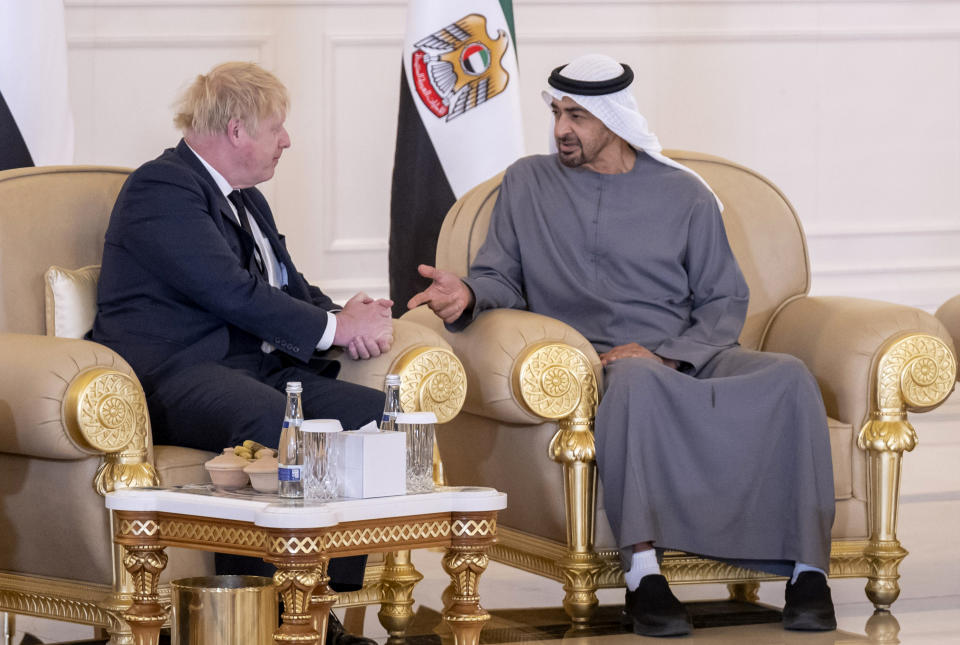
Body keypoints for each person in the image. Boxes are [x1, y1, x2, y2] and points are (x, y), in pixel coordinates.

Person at [408, 54, 837, 637]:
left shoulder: (684, 195)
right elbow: (502, 277)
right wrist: (468, 294)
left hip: (687, 352)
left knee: (789, 376)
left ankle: (809, 574)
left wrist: (669, 355)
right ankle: (642, 576)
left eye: (577, 116)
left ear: (614, 119)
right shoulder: (527, 183)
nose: (561, 128)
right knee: (633, 381)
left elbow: (721, 301)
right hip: (598, 364)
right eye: (558, 112)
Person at [91, 61, 388, 645]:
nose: (287, 140)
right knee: (280, 426)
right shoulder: (163, 187)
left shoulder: (246, 199)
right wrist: (333, 328)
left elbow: (286, 286)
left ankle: (316, 608)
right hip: (174, 374)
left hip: (248, 368)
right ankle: (268, 619)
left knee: (370, 418)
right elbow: (229, 290)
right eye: (277, 127)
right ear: (235, 130)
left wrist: (354, 317)